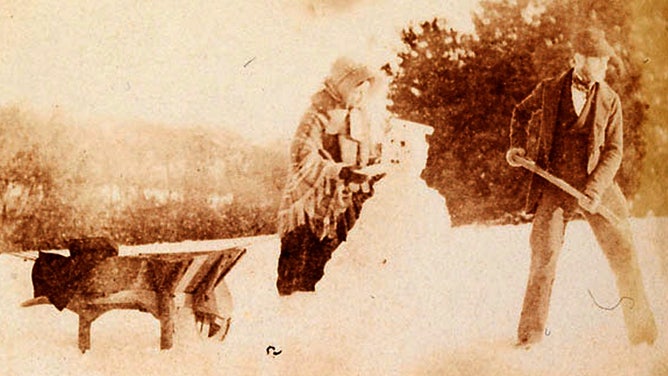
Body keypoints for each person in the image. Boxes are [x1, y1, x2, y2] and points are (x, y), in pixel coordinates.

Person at [506, 27, 657, 346]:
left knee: (624, 254)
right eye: (597, 60)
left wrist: (595, 189)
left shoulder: (610, 100)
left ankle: (644, 338)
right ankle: (530, 337)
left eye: (605, 60)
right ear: (577, 59)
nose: (604, 66)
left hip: (597, 187)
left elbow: (614, 150)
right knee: (543, 256)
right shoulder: (548, 91)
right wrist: (516, 147)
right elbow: (520, 114)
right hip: (555, 186)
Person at [275, 57, 383, 296]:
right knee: (302, 274)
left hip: (345, 206)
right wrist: (338, 171)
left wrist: (373, 168)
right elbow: (301, 154)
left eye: (364, 92)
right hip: (312, 207)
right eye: (356, 91)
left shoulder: (360, 116)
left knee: (336, 271)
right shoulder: (317, 113)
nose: (360, 97)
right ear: (344, 86)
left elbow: (366, 154)